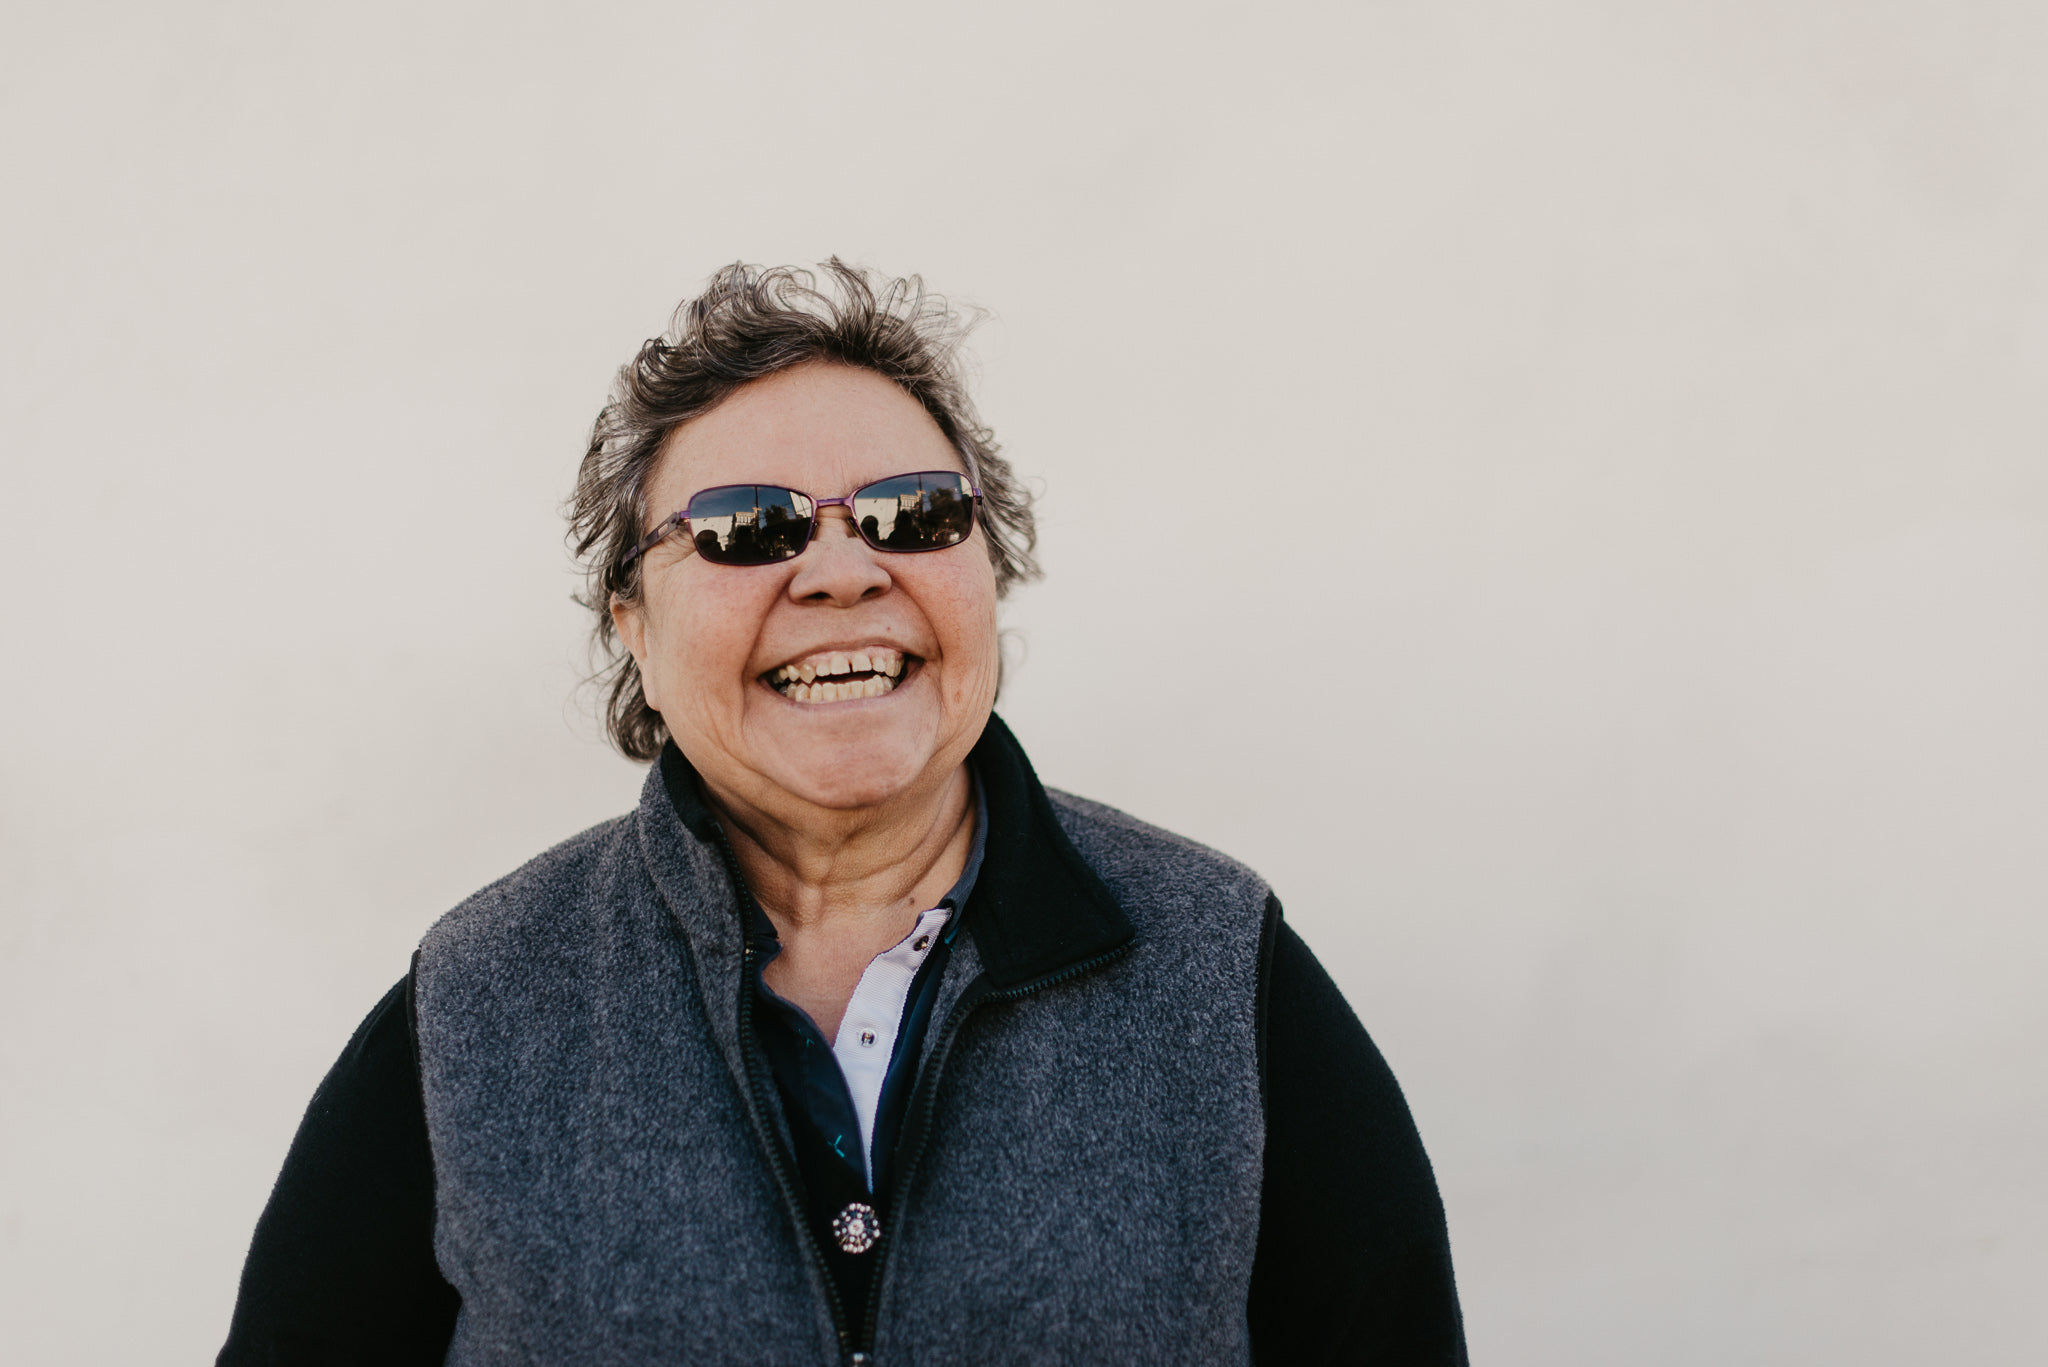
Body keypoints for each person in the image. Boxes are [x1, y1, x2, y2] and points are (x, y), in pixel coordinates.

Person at [218, 262, 1467, 1365]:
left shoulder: (1216, 961)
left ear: (987, 571)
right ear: (633, 630)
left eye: (911, 513)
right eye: (744, 529)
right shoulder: (480, 999)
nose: (841, 568)